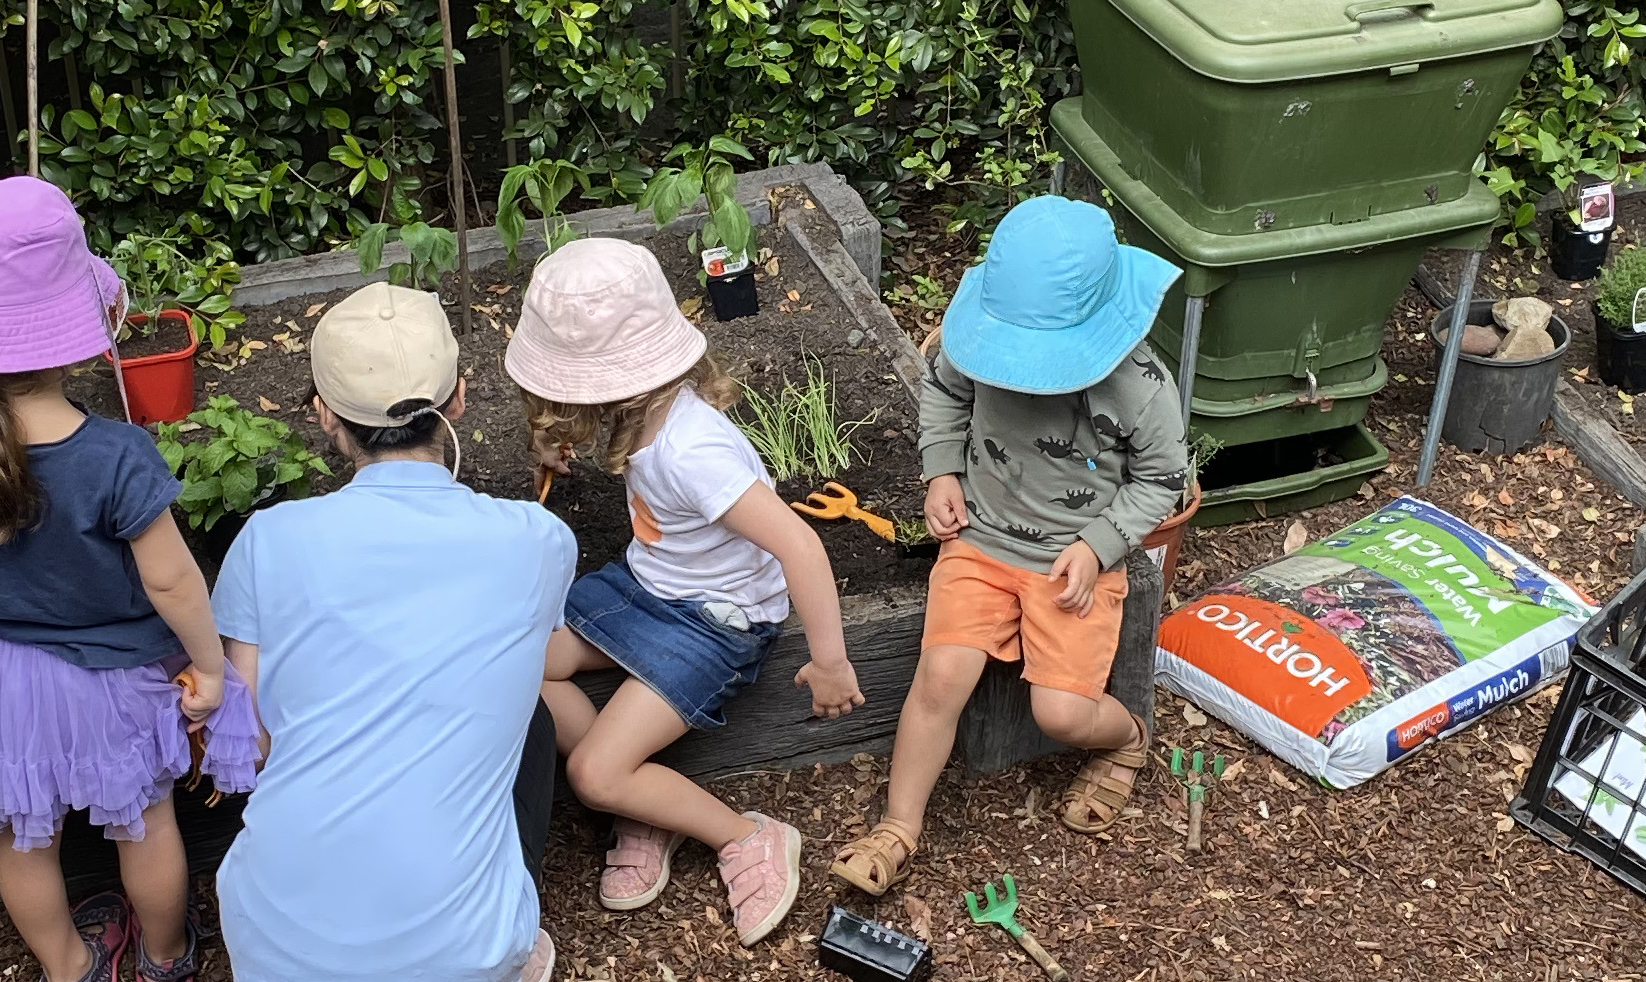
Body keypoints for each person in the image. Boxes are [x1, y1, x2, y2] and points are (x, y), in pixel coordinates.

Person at [198, 283, 574, 982]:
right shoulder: (538, 539)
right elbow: (522, 668)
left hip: (276, 946)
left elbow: (247, 737)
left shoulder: (270, 539)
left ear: (325, 416)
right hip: (463, 961)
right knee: (536, 724)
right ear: (460, 401)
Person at [0, 179, 224, 982]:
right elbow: (173, 580)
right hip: (112, 677)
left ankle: (70, 971)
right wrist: (211, 669)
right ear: (78, 335)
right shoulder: (116, 455)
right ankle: (166, 957)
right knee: (145, 822)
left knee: (21, 833)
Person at [830, 195, 1188, 894]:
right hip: (982, 540)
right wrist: (941, 469)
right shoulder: (981, 343)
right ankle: (900, 825)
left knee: (1061, 712)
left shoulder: (1141, 387)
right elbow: (944, 392)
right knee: (939, 678)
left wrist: (1099, 544)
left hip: (1074, 563)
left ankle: (1127, 738)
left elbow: (1161, 479)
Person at [504, 235, 860, 939]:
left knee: (595, 777)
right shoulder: (641, 409)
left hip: (715, 620)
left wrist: (829, 661)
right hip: (652, 589)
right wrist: (550, 440)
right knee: (522, 663)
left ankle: (742, 835)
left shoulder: (693, 453)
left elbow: (800, 543)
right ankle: (647, 803)